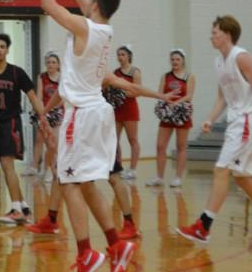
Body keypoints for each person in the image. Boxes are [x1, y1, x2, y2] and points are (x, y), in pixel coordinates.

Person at [38, 0, 136, 272]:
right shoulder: (104, 28)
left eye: (87, 0)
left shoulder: (85, 27)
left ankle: (86, 253)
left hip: (79, 115)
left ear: (93, 6)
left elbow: (49, 5)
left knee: (67, 183)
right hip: (99, 113)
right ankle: (116, 243)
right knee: (89, 183)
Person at [29, 72, 177, 240]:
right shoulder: (72, 72)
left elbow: (133, 87)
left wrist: (160, 95)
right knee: (62, 171)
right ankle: (51, 219)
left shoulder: (100, 74)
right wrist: (45, 111)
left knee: (113, 176)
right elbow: (60, 93)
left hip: (98, 131)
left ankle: (129, 224)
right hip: (78, 131)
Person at [177, 16, 252, 244]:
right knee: (243, 178)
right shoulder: (218, 61)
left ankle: (204, 226)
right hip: (236, 121)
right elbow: (222, 97)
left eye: (215, 32)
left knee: (221, 169)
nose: (211, 36)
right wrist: (210, 119)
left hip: (247, 121)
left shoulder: (240, 57)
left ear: (227, 34)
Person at [0, 33, 44, 225]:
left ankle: (15, 210)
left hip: (11, 123)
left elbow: (32, 97)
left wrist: (43, 118)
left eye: (2, 46)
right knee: (6, 168)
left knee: (7, 164)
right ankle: (24, 208)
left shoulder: (16, 72)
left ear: (7, 50)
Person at [147, 49, 195, 188]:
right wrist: (167, 100)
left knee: (181, 146)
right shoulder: (166, 76)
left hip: (181, 114)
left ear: (183, 61)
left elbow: (190, 96)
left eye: (177, 59)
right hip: (167, 114)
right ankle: (159, 177)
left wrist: (177, 102)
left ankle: (178, 178)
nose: (175, 62)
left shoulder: (189, 77)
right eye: (172, 59)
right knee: (160, 146)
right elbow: (160, 93)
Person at [30, 52, 62, 181]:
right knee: (41, 139)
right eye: (48, 62)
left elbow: (63, 97)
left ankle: (50, 168)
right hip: (44, 111)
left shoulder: (62, 77)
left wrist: (53, 108)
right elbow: (39, 96)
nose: (51, 65)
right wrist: (41, 111)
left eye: (53, 62)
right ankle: (41, 168)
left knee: (52, 143)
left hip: (57, 112)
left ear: (58, 65)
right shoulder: (42, 77)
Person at [112, 45, 142, 180]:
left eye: (123, 54)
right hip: (117, 109)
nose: (120, 57)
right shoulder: (115, 72)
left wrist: (122, 93)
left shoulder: (135, 72)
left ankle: (133, 169)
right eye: (118, 55)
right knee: (114, 140)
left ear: (129, 56)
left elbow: (138, 91)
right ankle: (118, 167)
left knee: (133, 139)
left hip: (130, 109)